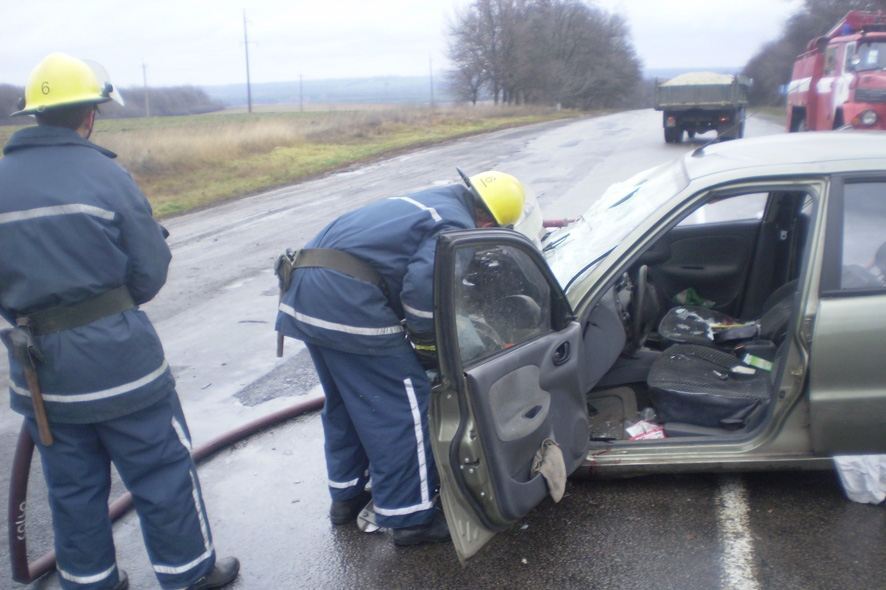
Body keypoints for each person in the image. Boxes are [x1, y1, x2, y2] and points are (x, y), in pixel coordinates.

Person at [0, 53, 239, 590]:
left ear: (33, 116)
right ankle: (187, 575)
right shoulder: (106, 175)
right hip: (120, 365)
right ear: (89, 115)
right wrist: (103, 310)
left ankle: (89, 581)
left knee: (71, 487)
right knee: (160, 470)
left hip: (40, 374)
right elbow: (150, 270)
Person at [274, 169, 526, 546]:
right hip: (346, 300)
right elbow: (423, 296)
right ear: (488, 219)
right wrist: (429, 349)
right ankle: (410, 518)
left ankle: (346, 497)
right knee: (404, 405)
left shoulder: (431, 201)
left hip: (303, 292)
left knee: (348, 403)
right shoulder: (452, 223)